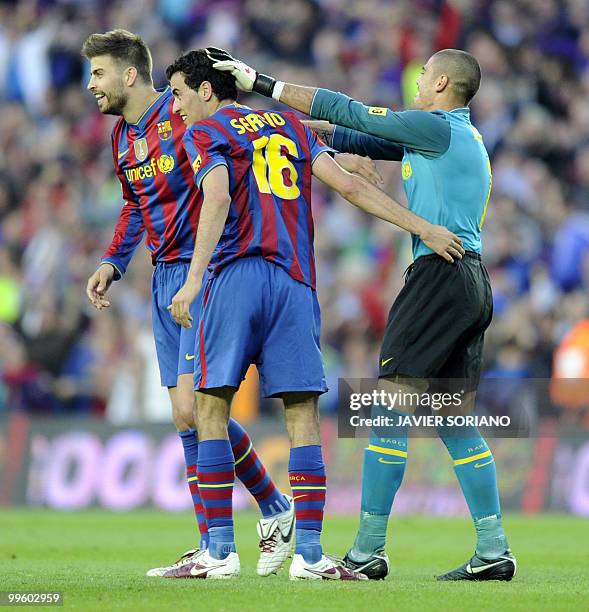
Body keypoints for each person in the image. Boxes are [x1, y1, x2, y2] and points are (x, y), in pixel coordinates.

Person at [209, 47, 516, 582]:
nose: (418, 82)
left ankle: (368, 548)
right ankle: (494, 548)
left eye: (424, 76)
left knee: (388, 409)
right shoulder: (460, 138)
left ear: (442, 83)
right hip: (471, 279)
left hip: (438, 277)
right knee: (455, 421)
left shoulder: (435, 126)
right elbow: (352, 135)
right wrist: (280, 128)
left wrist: (260, 83)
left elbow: (352, 112)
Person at [82, 29, 299, 579]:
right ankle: (262, 513)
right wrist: (113, 261)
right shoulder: (122, 139)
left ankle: (222, 542)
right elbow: (135, 205)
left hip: (202, 275)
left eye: (99, 73)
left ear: (130, 75)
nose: (91, 86)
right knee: (191, 416)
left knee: (192, 410)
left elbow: (230, 170)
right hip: (161, 279)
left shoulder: (183, 117)